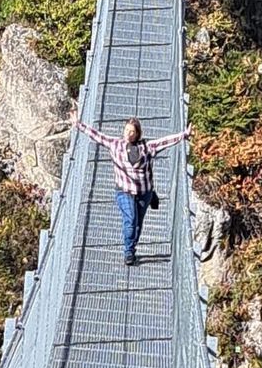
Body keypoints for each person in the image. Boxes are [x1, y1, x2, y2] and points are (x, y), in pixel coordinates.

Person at [72, 108, 192, 266]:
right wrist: (78, 124)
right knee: (131, 219)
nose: (128, 134)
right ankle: (128, 251)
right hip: (124, 191)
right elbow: (97, 135)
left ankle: (133, 245)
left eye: (132, 132)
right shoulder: (115, 145)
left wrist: (184, 135)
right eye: (126, 130)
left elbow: (165, 141)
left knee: (138, 223)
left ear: (137, 134)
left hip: (143, 192)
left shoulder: (147, 148)